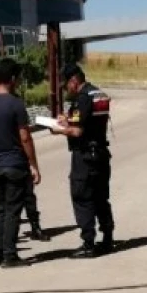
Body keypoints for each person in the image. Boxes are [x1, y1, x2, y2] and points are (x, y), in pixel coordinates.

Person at [0, 57, 42, 268]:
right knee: (13, 210)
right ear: (13, 79)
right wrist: (34, 165)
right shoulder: (16, 104)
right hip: (14, 163)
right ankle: (10, 255)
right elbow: (25, 137)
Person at [52, 63, 115, 258]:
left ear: (74, 80)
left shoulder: (82, 98)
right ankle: (107, 238)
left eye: (66, 85)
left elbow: (78, 131)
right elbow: (87, 121)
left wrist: (59, 129)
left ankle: (88, 243)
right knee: (100, 197)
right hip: (101, 153)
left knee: (82, 197)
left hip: (85, 156)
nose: (65, 89)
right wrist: (68, 121)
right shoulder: (99, 93)